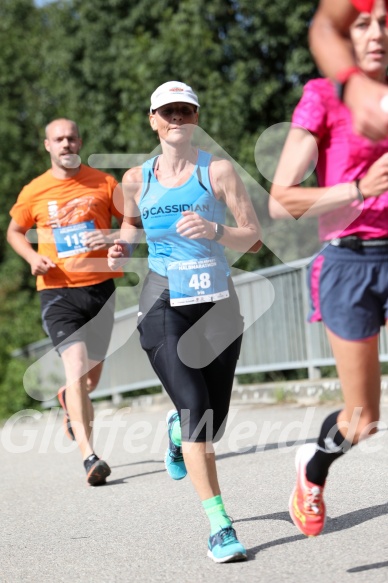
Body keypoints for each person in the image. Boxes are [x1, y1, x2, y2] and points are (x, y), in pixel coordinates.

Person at [108, 81, 262, 562]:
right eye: (168, 111)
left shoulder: (217, 171)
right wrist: (122, 244)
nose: (177, 118)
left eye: (186, 110)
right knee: (197, 407)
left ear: (196, 118)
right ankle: (220, 525)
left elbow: (254, 238)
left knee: (210, 423)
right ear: (152, 119)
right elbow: (132, 223)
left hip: (216, 302)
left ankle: (176, 435)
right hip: (163, 300)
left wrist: (217, 230)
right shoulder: (136, 178)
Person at [269, 0, 388, 537]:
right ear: (344, 32)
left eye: (385, 22)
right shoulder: (323, 96)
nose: (376, 32)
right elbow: (281, 200)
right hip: (351, 262)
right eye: (363, 22)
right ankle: (313, 469)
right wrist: (358, 189)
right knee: (362, 419)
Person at [7, 118, 123, 486]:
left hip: (101, 288)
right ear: (47, 145)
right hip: (57, 291)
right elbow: (14, 231)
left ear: (80, 142)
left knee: (89, 380)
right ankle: (90, 456)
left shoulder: (105, 183)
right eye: (59, 139)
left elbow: (132, 225)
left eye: (72, 138)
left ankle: (68, 400)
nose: (66, 144)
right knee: (74, 368)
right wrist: (30, 258)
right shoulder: (34, 190)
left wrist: (110, 237)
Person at [310, 0, 388, 141]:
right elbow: (325, 26)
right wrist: (352, 87)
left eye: (384, 22)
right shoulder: (321, 96)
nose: (377, 35)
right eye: (363, 25)